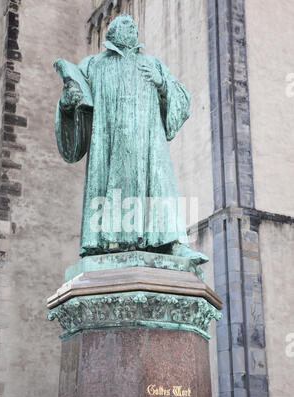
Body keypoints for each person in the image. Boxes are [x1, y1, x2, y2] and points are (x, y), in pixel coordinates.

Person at [55, 14, 208, 265]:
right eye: (122, 23)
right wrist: (66, 102)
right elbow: (75, 98)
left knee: (161, 186)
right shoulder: (92, 65)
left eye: (131, 23)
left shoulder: (153, 63)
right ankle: (102, 245)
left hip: (149, 145)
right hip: (109, 145)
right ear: (110, 33)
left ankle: (173, 244)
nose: (128, 24)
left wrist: (162, 85)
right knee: (109, 189)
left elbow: (183, 100)